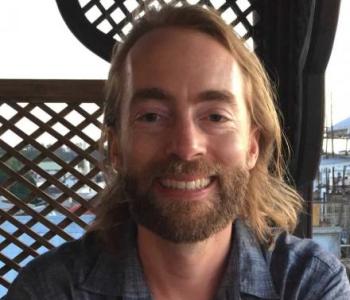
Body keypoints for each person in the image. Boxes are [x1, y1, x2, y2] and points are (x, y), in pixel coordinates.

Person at [5, 5, 350, 300]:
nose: (186, 147)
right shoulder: (51, 290)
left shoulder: (307, 284)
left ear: (252, 146)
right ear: (116, 148)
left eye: (216, 116)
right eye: (152, 116)